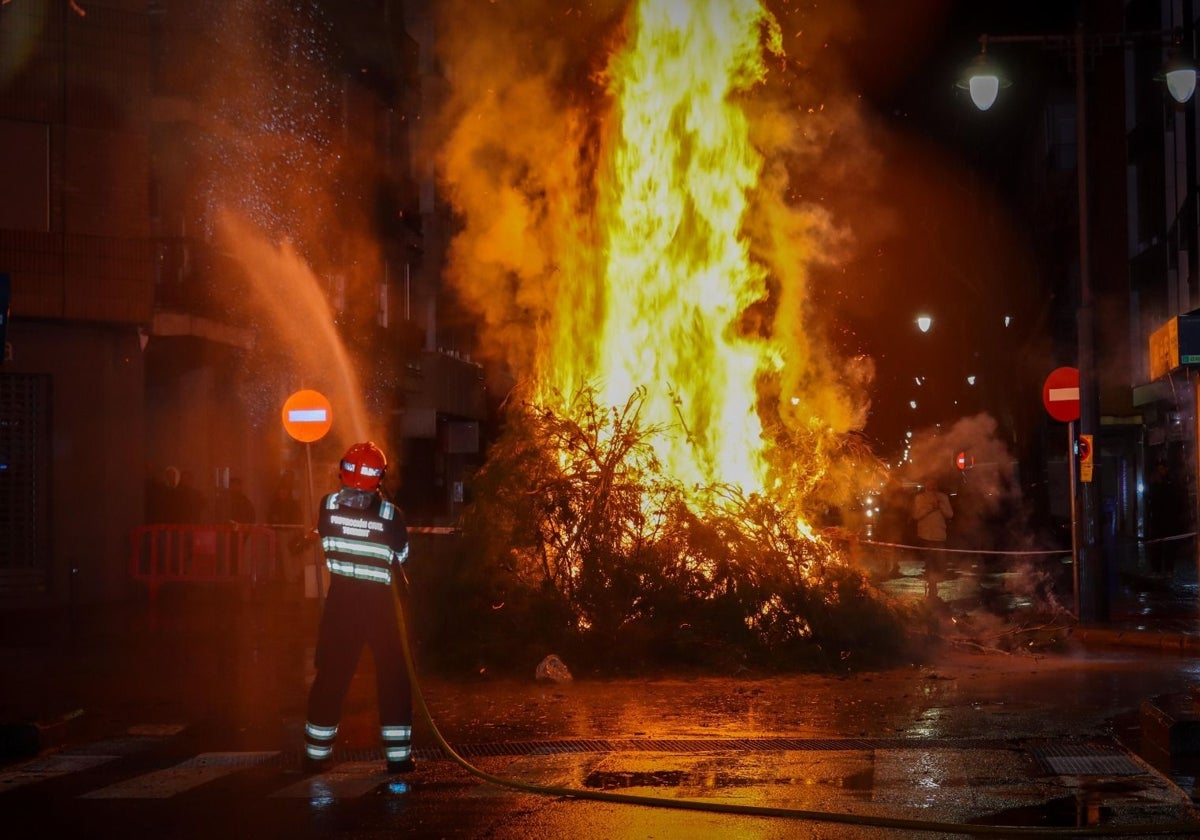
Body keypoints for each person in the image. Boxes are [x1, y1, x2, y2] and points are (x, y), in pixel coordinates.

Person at [303, 441, 414, 775]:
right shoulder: (389, 515)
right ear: (379, 477)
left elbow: (325, 537)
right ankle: (398, 759)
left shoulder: (327, 506)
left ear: (343, 470)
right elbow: (403, 556)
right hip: (381, 607)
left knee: (332, 676)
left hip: (341, 604)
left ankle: (315, 755)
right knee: (393, 676)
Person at [911, 478, 953, 602]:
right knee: (930, 563)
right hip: (926, 535)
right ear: (926, 484)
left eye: (934, 482)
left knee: (939, 563)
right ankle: (932, 588)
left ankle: (934, 584)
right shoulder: (920, 498)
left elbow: (950, 514)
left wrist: (940, 506)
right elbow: (916, 515)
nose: (932, 485)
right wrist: (930, 507)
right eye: (929, 482)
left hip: (939, 535)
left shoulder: (943, 497)